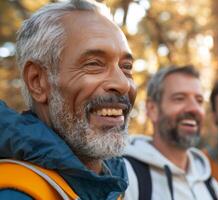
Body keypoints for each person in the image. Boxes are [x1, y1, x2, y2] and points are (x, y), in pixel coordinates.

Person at [0, 0, 136, 199]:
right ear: (37, 81)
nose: (123, 84)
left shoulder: (114, 183)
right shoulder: (15, 193)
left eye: (126, 67)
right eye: (94, 64)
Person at [123, 66, 218, 200]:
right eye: (179, 98)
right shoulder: (126, 177)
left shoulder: (211, 186)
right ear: (152, 109)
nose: (194, 108)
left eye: (199, 101)